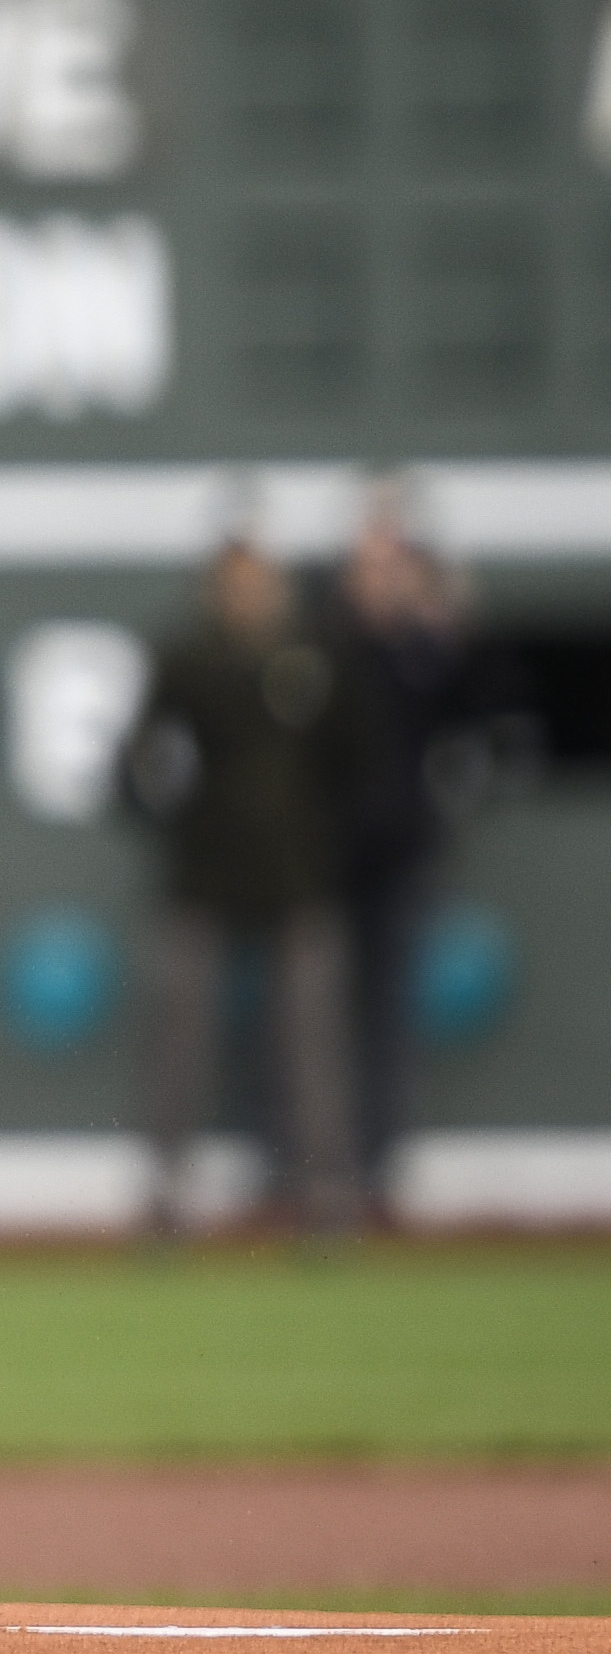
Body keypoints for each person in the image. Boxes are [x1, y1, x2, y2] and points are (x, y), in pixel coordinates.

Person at [123, 539, 356, 1238]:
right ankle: (167, 1194)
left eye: (259, 584)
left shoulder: (314, 659)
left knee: (310, 1046)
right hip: (203, 873)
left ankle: (323, 1197)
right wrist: (168, 821)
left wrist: (332, 843)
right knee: (178, 1041)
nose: (246, 597)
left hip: (299, 876)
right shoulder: (189, 660)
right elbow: (138, 759)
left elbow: (356, 763)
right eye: (233, 585)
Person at [322, 496, 508, 1221]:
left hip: (399, 859)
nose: (381, 581)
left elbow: (485, 709)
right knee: (312, 1024)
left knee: (388, 1019)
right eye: (370, 566)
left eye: (393, 567)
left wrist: (451, 625)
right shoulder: (325, 650)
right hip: (324, 862)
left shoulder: (427, 653)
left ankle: (376, 1172)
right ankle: (307, 1172)